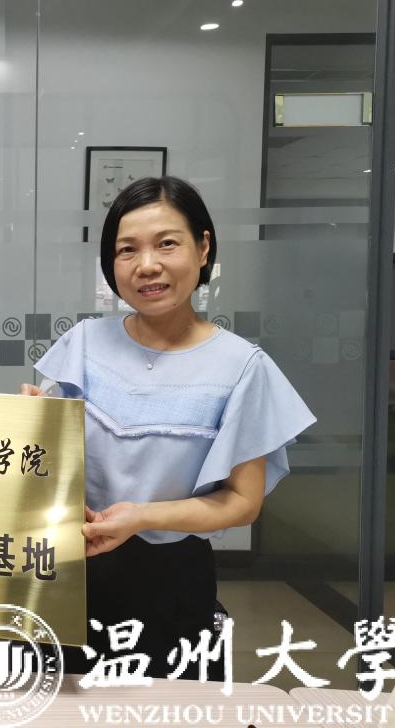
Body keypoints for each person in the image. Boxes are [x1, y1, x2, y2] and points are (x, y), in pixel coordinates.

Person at [22, 175, 315, 679]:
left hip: (171, 581)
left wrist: (140, 517)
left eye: (166, 244)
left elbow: (242, 502)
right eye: (127, 250)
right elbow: (47, 465)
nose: (147, 265)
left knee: (161, 705)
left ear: (203, 248)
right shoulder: (83, 343)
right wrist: (26, 427)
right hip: (64, 567)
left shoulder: (242, 367)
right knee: (59, 702)